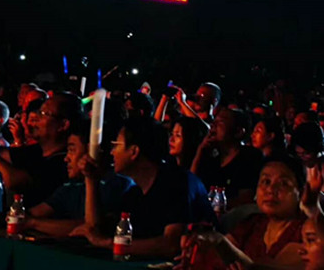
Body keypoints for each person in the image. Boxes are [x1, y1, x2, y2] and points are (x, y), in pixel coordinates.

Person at [72, 117, 213, 258]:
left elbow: (171, 245)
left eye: (116, 145)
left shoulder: (179, 183)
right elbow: (96, 229)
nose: (112, 152)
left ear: (134, 152)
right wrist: (91, 179)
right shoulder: (135, 193)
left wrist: (107, 243)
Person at [178, 156, 306, 269]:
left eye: (283, 184)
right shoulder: (253, 223)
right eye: (266, 181)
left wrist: (218, 240)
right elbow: (220, 253)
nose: (270, 189)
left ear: (301, 192)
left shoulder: (305, 231)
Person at [25, 120, 134, 237]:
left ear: (91, 151)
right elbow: (35, 212)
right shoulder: (73, 185)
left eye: (72, 150)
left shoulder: (117, 184)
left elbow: (93, 227)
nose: (66, 158)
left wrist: (32, 223)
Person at [0, 92, 82, 206]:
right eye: (39, 111)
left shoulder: (63, 162)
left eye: (45, 113)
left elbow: (13, 181)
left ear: (63, 125)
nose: (35, 117)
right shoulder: (37, 150)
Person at [192, 108, 263, 208]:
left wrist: (212, 206)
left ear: (238, 132)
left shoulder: (249, 157)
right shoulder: (212, 160)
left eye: (221, 122)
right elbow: (191, 190)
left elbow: (246, 199)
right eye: (214, 121)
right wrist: (199, 153)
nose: (213, 125)